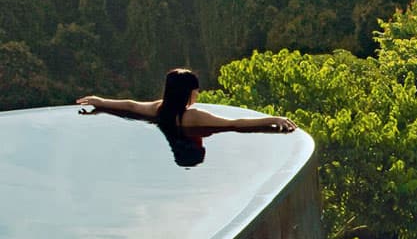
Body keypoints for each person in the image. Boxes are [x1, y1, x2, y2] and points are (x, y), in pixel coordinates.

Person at [76, 68, 297, 132]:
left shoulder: (159, 109)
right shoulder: (192, 116)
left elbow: (131, 105)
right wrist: (272, 119)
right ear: (188, 93)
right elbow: (234, 123)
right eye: (196, 90)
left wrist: (101, 101)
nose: (198, 94)